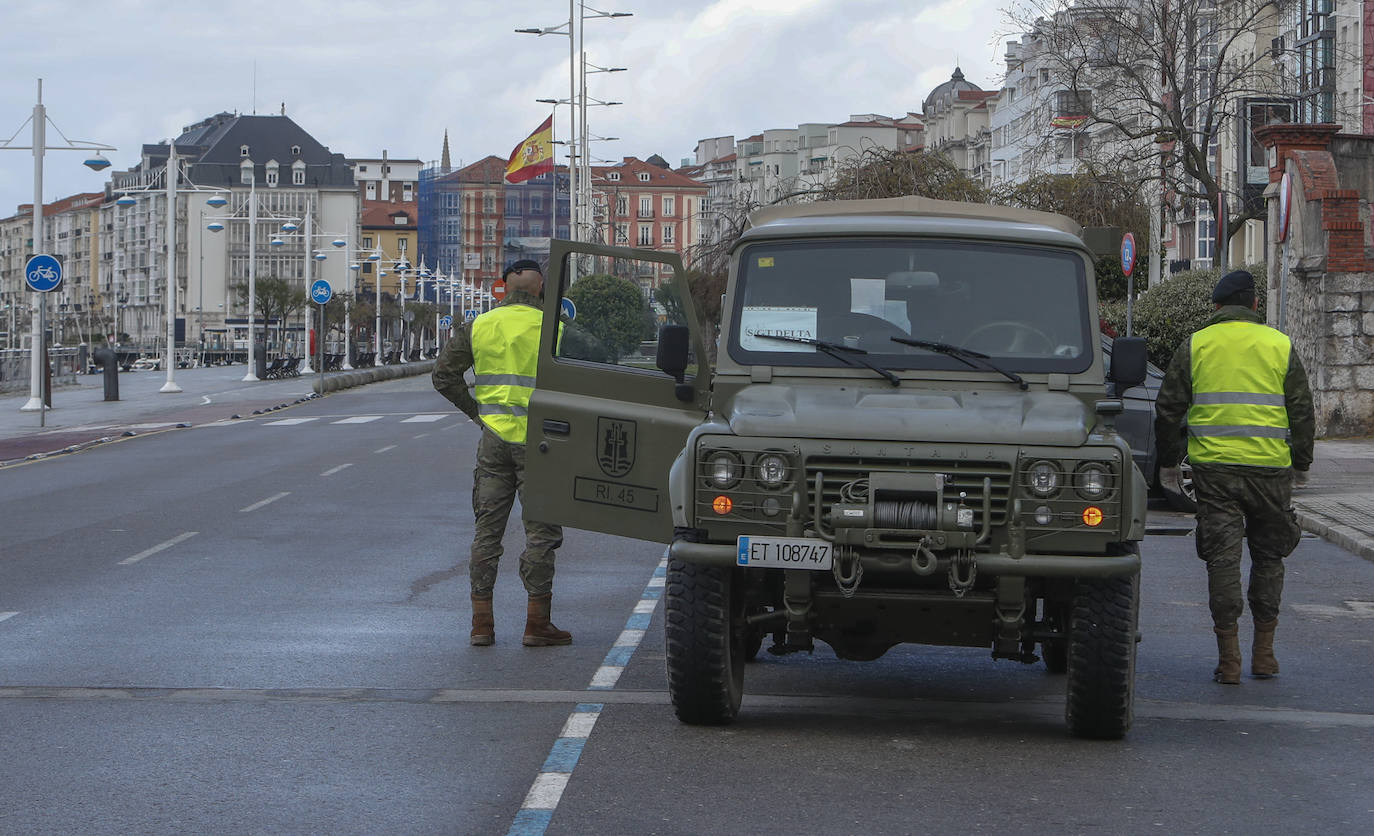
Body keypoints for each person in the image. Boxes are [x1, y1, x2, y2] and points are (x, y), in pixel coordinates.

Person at [1154, 269, 1314, 685]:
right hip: (1270, 471)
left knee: (1223, 561)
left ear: (1218, 307)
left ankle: (1229, 662)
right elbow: (1301, 409)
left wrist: (1170, 464)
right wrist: (1301, 463)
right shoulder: (1280, 345)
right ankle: (1265, 655)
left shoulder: (1198, 344)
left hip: (1215, 472)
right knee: (1269, 557)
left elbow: (1169, 407)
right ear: (1255, 305)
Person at [432, 259, 569, 648]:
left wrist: (478, 412)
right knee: (540, 534)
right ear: (540, 288)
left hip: (493, 442)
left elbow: (443, 376)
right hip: (541, 445)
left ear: (502, 288)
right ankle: (537, 623)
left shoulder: (479, 326)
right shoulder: (555, 329)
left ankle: (481, 624)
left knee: (486, 533)